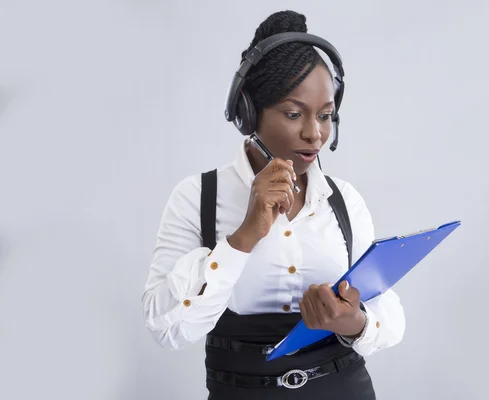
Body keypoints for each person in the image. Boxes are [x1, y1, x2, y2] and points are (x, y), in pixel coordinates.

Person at [142, 10, 406, 400]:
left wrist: (354, 321)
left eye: (326, 116)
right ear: (248, 112)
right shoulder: (197, 197)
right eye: (294, 114)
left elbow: (389, 316)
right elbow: (165, 327)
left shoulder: (345, 201)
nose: (314, 134)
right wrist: (245, 236)